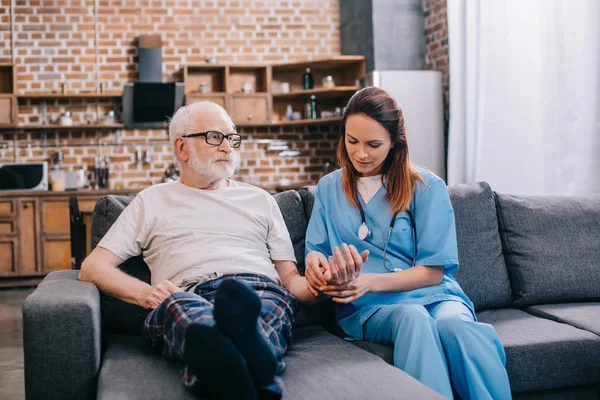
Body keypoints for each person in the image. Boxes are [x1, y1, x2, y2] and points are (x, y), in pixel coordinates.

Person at [79, 101, 316, 400]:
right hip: (188, 294)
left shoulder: (260, 200)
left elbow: (290, 279)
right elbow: (93, 267)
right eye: (215, 137)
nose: (228, 147)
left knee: (259, 314)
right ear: (182, 147)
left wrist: (321, 284)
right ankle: (257, 362)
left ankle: (225, 357)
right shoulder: (151, 201)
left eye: (231, 138)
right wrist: (145, 294)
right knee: (184, 313)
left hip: (259, 292)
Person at [304, 87, 512, 399]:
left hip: (436, 295)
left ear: (395, 143)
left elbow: (432, 272)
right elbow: (315, 253)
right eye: (352, 141)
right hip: (369, 307)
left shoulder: (427, 187)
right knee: (413, 318)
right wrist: (315, 267)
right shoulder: (328, 189)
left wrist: (369, 281)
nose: (361, 153)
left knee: (458, 328)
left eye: (374, 144)